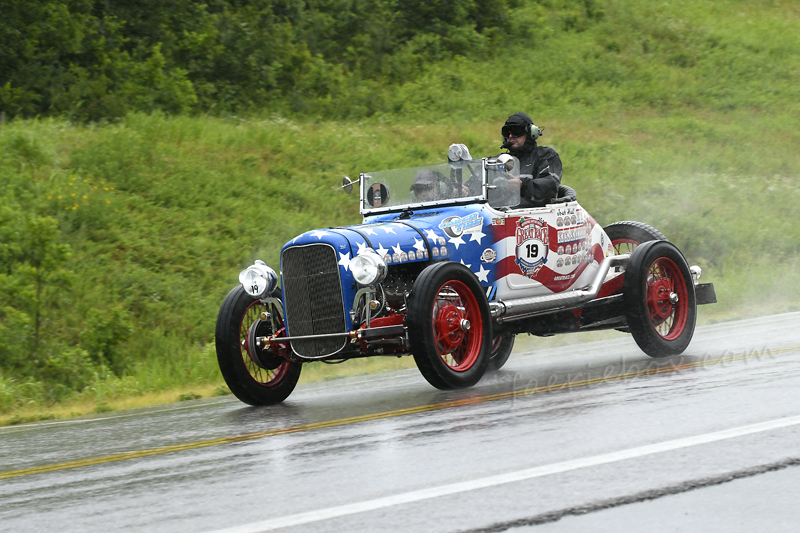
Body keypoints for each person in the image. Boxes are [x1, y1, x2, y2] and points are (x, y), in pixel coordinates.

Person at [500, 112, 563, 208]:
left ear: (531, 133)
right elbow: (478, 182)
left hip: (534, 217)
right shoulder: (499, 161)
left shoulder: (546, 156)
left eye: (517, 131)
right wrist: (469, 189)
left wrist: (522, 185)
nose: (511, 136)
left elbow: (551, 186)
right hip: (498, 216)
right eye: (507, 132)